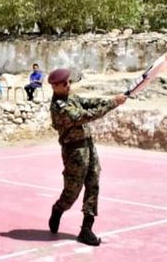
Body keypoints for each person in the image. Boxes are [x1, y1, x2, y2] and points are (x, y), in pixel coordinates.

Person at [46, 68, 127, 246]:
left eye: (69, 82)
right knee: (72, 191)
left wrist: (112, 99)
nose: (69, 85)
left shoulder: (71, 97)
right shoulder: (61, 107)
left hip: (88, 145)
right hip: (74, 151)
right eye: (65, 83)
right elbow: (85, 116)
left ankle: (86, 228)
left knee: (93, 184)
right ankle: (58, 209)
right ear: (55, 87)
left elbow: (88, 103)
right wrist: (113, 104)